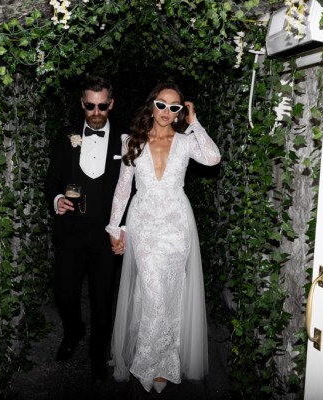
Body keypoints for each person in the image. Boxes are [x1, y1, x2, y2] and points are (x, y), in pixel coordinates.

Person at [105, 82, 221, 393]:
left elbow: (212, 158)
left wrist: (194, 123)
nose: (167, 112)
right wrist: (115, 229)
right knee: (152, 287)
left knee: (170, 293)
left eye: (175, 108)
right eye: (161, 105)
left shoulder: (186, 142)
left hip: (177, 225)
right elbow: (122, 188)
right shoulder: (131, 141)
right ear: (151, 105)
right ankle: (148, 360)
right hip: (143, 223)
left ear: (181, 112)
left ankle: (165, 360)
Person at [44, 76, 126, 382]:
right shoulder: (65, 137)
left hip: (105, 232)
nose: (95, 111)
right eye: (90, 105)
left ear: (111, 104)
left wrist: (123, 228)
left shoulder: (124, 140)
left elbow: (131, 188)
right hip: (71, 230)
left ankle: (97, 352)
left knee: (103, 299)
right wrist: (56, 199)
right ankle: (74, 330)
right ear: (82, 104)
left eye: (102, 105)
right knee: (65, 295)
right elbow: (52, 179)